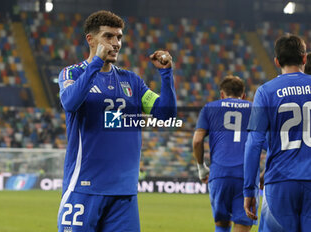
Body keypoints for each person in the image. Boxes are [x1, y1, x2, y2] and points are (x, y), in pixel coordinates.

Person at [57, 10, 176, 232]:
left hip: (124, 193)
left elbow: (166, 115)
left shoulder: (131, 81)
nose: (116, 43)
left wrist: (166, 76)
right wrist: (95, 64)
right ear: (91, 40)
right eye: (108, 36)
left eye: (119, 37)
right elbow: (70, 103)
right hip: (84, 188)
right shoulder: (71, 74)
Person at [244, 34, 311, 231]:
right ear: (304, 58)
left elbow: (254, 143)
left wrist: (249, 190)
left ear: (276, 61)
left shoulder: (265, 92)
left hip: (280, 182)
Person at [193, 75, 257, 232]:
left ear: (222, 94)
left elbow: (197, 141)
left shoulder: (209, 108)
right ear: (243, 95)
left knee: (221, 224)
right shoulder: (254, 109)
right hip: (245, 175)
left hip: (219, 174)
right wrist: (262, 173)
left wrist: (201, 168)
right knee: (242, 225)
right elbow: (269, 144)